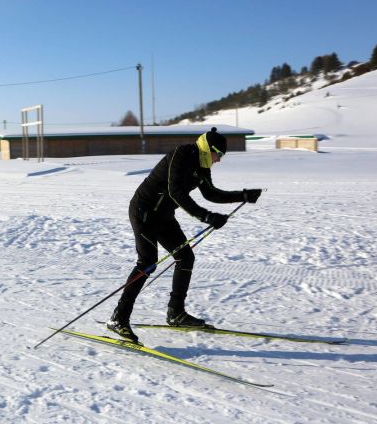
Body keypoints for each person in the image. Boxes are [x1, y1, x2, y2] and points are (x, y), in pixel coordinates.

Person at [106, 127, 262, 342]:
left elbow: (211, 193)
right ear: (209, 149)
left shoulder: (202, 165)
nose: (219, 161)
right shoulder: (182, 155)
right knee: (147, 262)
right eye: (219, 155)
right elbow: (175, 191)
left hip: (164, 215)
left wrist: (243, 195)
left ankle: (176, 313)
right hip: (144, 211)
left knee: (185, 257)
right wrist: (206, 217)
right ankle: (118, 318)